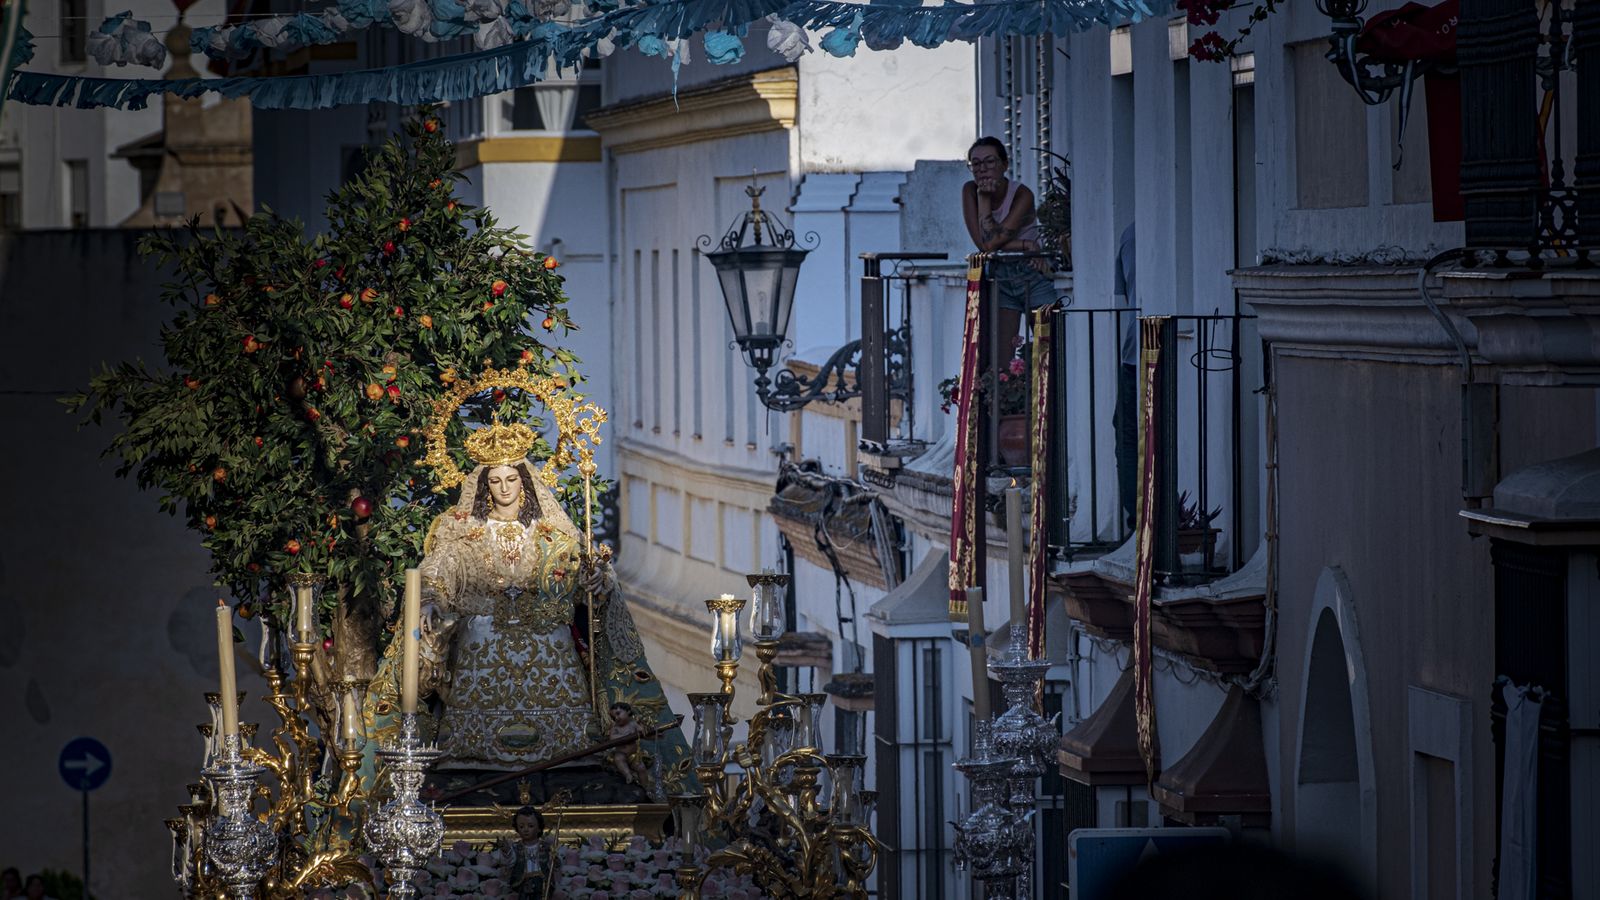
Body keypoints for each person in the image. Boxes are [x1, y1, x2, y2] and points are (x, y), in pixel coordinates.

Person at [961, 136, 1057, 343]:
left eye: (989, 162)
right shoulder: (970, 190)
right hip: (999, 273)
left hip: (1030, 270)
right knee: (1001, 361)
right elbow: (984, 245)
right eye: (975, 164)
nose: (982, 169)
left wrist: (984, 201)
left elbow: (991, 243)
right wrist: (1025, 245)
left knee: (1047, 353)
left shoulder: (1022, 195)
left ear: (1004, 165)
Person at [1113, 222, 1139, 532]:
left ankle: (1138, 521)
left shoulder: (1131, 233)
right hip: (1136, 352)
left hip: (1135, 352)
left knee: (1128, 434)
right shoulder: (1131, 234)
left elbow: (1122, 294)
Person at [501, 806, 553, 900]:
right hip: (522, 881)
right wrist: (507, 851)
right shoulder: (516, 847)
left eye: (530, 826)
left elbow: (553, 863)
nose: (525, 829)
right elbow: (510, 861)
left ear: (539, 828)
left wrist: (555, 859)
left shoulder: (545, 846)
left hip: (542, 881)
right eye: (521, 826)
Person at [605, 701, 649, 786]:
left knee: (641, 768)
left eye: (618, 713)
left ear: (628, 711)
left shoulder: (633, 724)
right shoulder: (615, 728)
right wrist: (625, 736)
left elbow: (641, 731)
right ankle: (628, 775)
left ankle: (646, 787)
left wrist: (642, 729)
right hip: (621, 753)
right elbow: (612, 738)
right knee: (618, 759)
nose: (616, 718)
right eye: (613, 717)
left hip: (634, 755)